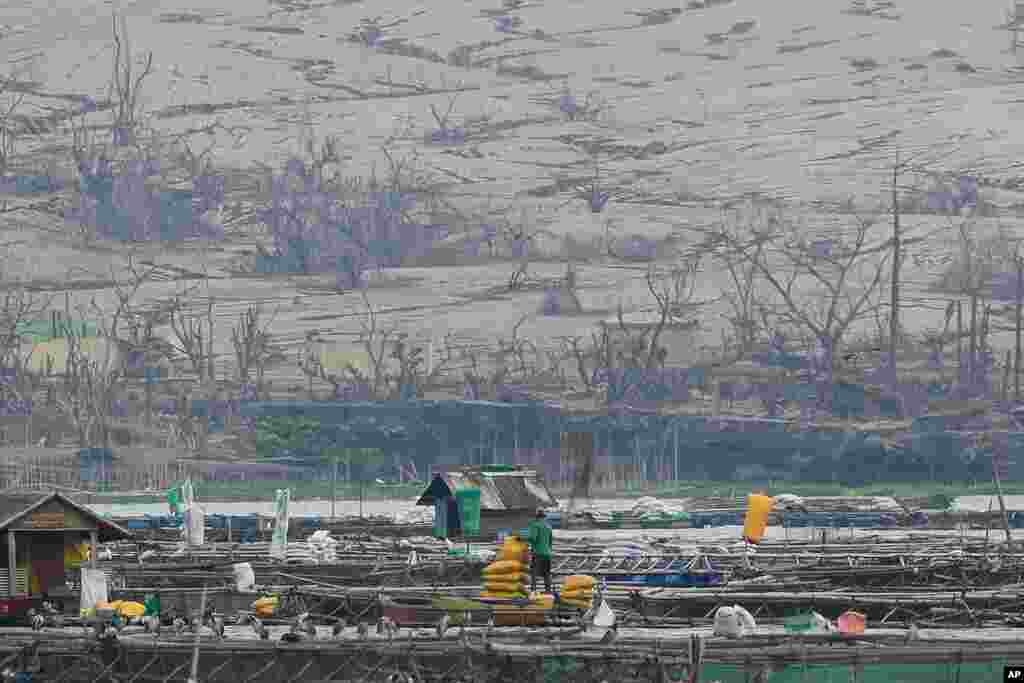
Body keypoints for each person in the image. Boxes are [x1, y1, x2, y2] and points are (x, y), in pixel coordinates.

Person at [525, 507, 553, 593]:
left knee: (534, 573)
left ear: (536, 517)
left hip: (538, 553)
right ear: (544, 517)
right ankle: (548, 591)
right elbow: (550, 542)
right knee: (547, 574)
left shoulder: (535, 525)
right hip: (547, 554)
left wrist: (522, 539)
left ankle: (533, 591)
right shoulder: (548, 527)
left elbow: (533, 538)